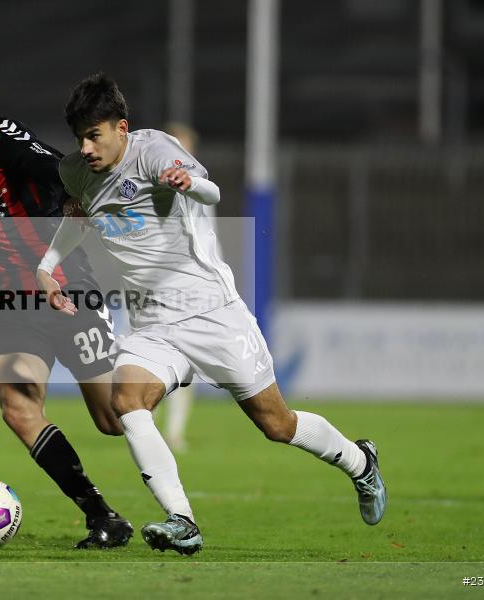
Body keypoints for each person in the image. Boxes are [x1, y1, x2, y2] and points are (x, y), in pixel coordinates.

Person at [36, 73, 387, 555]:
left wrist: (190, 183)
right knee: (127, 402)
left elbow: (212, 192)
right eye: (79, 137)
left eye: (94, 135)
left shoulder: (154, 151)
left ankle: (359, 462)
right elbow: (77, 218)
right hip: (152, 323)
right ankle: (182, 520)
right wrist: (47, 266)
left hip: (210, 312)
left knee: (276, 424)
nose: (86, 147)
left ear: (121, 127)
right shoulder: (76, 170)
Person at [0, 51, 132, 549]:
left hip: (68, 292)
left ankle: (166, 366)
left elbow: (65, 172)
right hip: (15, 305)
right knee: (17, 407)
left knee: (113, 420)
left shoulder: (8, 143)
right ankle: (102, 515)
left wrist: (85, 205)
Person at [160, 122, 201, 454]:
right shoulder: (146, 185)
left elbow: (208, 242)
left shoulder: (199, 189)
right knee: (145, 358)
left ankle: (174, 433)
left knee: (187, 362)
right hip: (153, 286)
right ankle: (139, 420)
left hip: (191, 288)